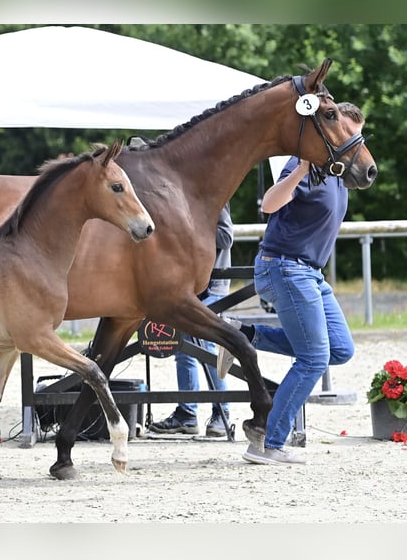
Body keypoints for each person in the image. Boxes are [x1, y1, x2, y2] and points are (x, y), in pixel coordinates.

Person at [218, 102, 365, 465]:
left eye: (356, 136)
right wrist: (299, 170)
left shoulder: (338, 171)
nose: (350, 141)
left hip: (310, 272)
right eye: (346, 133)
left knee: (340, 349)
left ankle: (242, 333)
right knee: (313, 359)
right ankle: (267, 442)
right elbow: (268, 204)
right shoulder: (306, 165)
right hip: (283, 267)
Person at [149, 204, 233, 437]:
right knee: (182, 347)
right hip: (190, 286)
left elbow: (226, 237)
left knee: (204, 343)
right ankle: (188, 413)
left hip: (214, 284)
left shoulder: (214, 197)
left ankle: (221, 411)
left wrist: (185, 229)